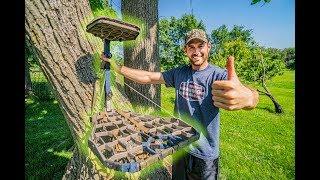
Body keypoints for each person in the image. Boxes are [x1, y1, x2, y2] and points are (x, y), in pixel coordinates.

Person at [101, 29, 259, 180]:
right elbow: (149, 77)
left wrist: (250, 98)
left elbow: (246, 92)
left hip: (205, 154)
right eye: (191, 47)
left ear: (209, 47)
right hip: (180, 146)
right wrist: (117, 67)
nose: (196, 51)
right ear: (186, 50)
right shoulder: (179, 73)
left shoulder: (217, 75)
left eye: (200, 46)